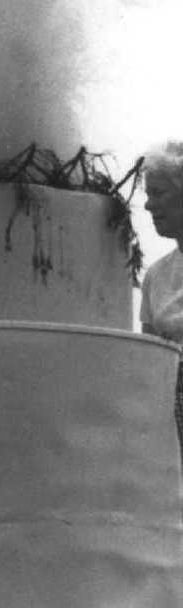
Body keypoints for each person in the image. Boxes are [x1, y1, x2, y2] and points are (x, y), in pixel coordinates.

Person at [140, 141, 183, 451]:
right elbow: (148, 359)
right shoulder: (155, 276)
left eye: (159, 193)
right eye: (147, 194)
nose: (148, 206)